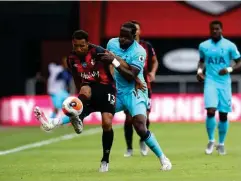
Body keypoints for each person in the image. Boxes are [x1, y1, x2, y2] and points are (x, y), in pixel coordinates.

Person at [34, 30, 116, 172]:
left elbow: (114, 61)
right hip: (88, 87)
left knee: (107, 123)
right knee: (83, 93)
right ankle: (75, 118)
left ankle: (105, 160)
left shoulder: (98, 51)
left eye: (82, 46)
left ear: (87, 43)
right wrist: (79, 96)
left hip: (106, 87)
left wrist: (113, 70)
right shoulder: (72, 58)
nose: (79, 49)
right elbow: (77, 78)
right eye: (76, 46)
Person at [98, 22, 172, 170]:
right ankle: (107, 159)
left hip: (137, 91)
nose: (122, 40)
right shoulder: (112, 43)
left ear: (135, 35)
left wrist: (115, 61)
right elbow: (104, 58)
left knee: (139, 124)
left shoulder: (141, 50)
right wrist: (109, 76)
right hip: (118, 91)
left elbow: (132, 74)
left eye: (126, 37)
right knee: (104, 116)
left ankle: (162, 157)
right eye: (120, 36)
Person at [196, 20, 241, 155]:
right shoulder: (203, 46)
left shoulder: (229, 46)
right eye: (212, 29)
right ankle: (211, 140)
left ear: (221, 30)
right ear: (210, 30)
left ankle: (221, 144)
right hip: (210, 81)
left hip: (224, 83)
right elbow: (201, 61)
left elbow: (239, 62)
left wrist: (228, 69)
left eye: (217, 29)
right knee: (210, 111)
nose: (215, 31)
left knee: (223, 115)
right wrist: (199, 71)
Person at [123, 20, 159, 157]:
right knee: (128, 119)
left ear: (140, 31)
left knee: (145, 117)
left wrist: (153, 72)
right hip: (128, 87)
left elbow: (155, 61)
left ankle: (143, 141)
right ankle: (129, 148)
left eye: (137, 29)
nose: (135, 31)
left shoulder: (146, 46)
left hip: (145, 87)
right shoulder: (124, 46)